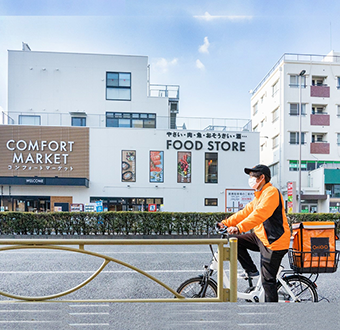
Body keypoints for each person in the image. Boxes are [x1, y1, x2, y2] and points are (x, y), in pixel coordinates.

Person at [218, 164, 290, 302]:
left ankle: (272, 314)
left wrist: (239, 227)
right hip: (261, 237)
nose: (250, 179)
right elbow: (245, 212)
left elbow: (259, 214)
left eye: (252, 176)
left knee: (268, 281)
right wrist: (226, 223)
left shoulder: (271, 193)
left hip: (274, 241)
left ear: (262, 177)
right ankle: (251, 270)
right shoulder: (259, 195)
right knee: (235, 240)